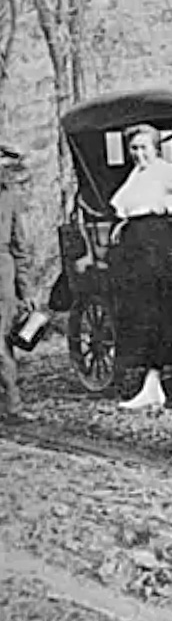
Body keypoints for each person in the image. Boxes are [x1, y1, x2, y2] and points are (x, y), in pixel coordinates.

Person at [109, 124, 172, 412]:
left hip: (156, 245)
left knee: (154, 311)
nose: (138, 154)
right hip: (136, 246)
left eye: (144, 148)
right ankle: (150, 386)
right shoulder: (136, 174)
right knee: (138, 312)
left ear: (155, 148)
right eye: (134, 148)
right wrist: (123, 223)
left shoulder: (166, 170)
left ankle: (153, 385)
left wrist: (171, 204)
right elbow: (127, 205)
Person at [0, 143, 38, 423]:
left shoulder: (9, 197)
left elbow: (20, 246)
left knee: (3, 342)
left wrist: (27, 290)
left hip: (3, 277)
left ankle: (12, 405)